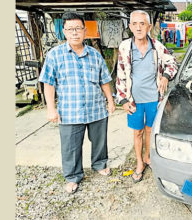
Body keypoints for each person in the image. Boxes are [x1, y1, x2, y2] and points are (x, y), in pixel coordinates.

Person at [39, 12, 115, 193]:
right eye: (70, 29)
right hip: (69, 111)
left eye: (78, 29)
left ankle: (99, 164)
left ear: (84, 31)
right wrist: (51, 108)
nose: (75, 33)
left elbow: (104, 80)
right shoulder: (55, 55)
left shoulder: (94, 55)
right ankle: (73, 176)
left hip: (96, 108)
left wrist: (110, 101)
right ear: (64, 31)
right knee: (70, 146)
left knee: (99, 141)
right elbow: (48, 83)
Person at [116, 10, 177, 183]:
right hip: (134, 100)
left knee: (150, 129)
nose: (138, 27)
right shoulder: (125, 47)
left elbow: (172, 62)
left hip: (153, 98)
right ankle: (139, 163)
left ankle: (148, 157)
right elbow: (120, 73)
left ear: (149, 26)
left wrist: (165, 76)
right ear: (130, 27)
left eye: (142, 23)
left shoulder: (157, 46)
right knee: (138, 132)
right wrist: (123, 99)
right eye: (134, 24)